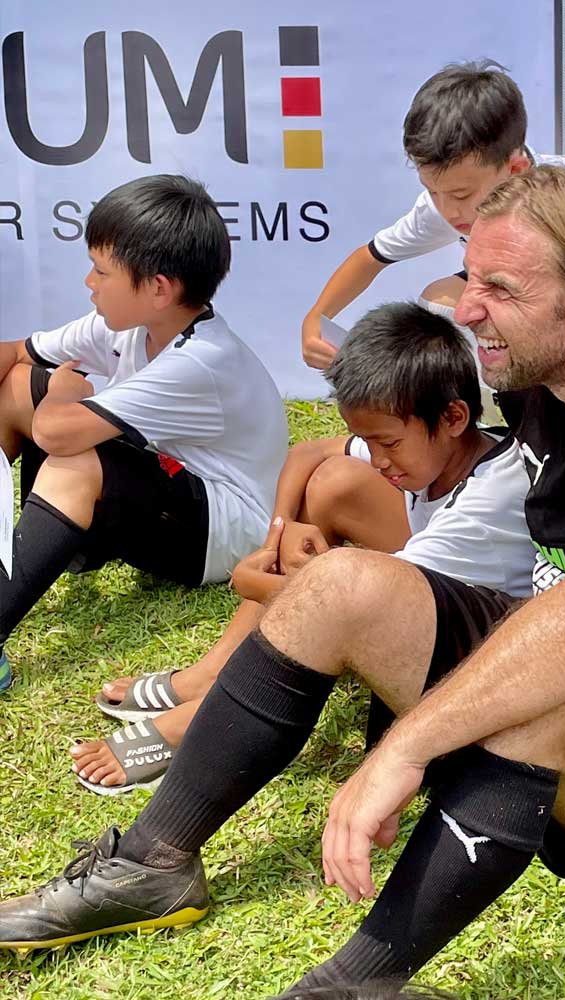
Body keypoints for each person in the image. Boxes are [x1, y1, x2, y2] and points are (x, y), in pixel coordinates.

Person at [0, 168, 565, 1000]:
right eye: (470, 277)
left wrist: (404, 749)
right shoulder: (541, 377)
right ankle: (151, 865)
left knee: (556, 675)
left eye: (500, 288)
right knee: (340, 583)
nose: (468, 306)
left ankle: (353, 987)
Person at [69, 303, 532, 794]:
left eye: (389, 443)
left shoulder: (486, 505)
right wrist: (281, 533)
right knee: (333, 482)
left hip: (489, 655)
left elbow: (357, 611)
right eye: (367, 441)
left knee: (329, 605)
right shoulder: (438, 448)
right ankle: (212, 675)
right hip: (440, 590)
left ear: (454, 417)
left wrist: (252, 579)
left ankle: (202, 715)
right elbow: (308, 452)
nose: (378, 459)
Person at [0, 174, 288, 694]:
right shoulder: (128, 323)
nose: (89, 282)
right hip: (163, 494)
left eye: (101, 271)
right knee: (20, 386)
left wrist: (64, 394)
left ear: (158, 288)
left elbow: (56, 433)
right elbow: (19, 353)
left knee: (75, 455)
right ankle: (27, 550)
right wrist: (53, 389)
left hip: (218, 537)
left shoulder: (202, 360)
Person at [301, 61, 565, 375]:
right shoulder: (444, 203)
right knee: (441, 304)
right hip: (548, 297)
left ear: (515, 168)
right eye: (433, 191)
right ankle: (499, 421)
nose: (448, 210)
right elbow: (371, 257)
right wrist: (316, 319)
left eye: (462, 195)